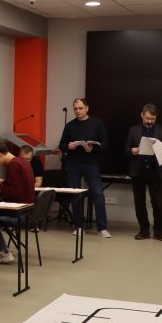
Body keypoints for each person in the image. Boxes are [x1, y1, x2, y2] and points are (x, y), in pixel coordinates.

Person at [57, 98, 111, 238]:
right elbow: (62, 144)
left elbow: (105, 144)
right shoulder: (70, 125)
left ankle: (102, 228)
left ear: (87, 108)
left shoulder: (97, 124)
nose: (78, 111)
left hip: (91, 163)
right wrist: (68, 146)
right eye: (75, 109)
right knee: (76, 195)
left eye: (80, 108)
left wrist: (93, 148)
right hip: (73, 163)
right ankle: (79, 226)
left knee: (97, 194)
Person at [125, 103, 162, 241]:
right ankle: (144, 230)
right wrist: (132, 151)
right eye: (147, 118)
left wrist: (160, 149)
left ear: (156, 117)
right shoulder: (133, 130)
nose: (150, 121)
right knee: (139, 202)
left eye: (153, 119)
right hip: (138, 170)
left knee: (158, 203)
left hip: (155, 170)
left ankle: (159, 231)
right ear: (142, 115)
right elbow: (126, 150)